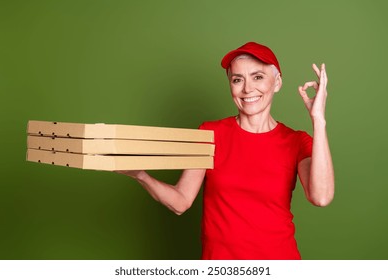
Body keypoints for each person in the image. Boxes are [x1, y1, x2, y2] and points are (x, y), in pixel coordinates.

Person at [116, 42, 335, 260]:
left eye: (257, 77)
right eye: (237, 79)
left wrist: (318, 120)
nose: (247, 89)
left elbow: (321, 197)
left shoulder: (296, 141)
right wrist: (141, 175)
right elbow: (181, 202)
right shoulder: (209, 134)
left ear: (277, 82)